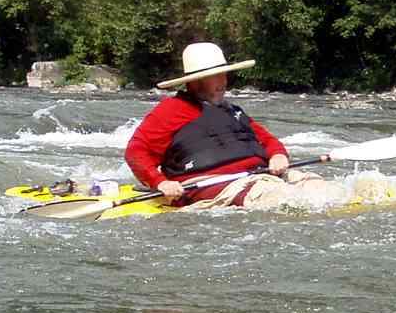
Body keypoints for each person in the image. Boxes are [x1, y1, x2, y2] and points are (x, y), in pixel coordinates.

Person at [124, 42, 302, 208]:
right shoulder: (170, 111)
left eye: (224, 74)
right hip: (214, 186)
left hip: (260, 176)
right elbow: (136, 151)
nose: (223, 82)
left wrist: (278, 155)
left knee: (318, 188)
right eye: (215, 77)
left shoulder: (233, 111)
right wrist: (160, 182)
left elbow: (267, 141)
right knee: (287, 199)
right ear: (195, 81)